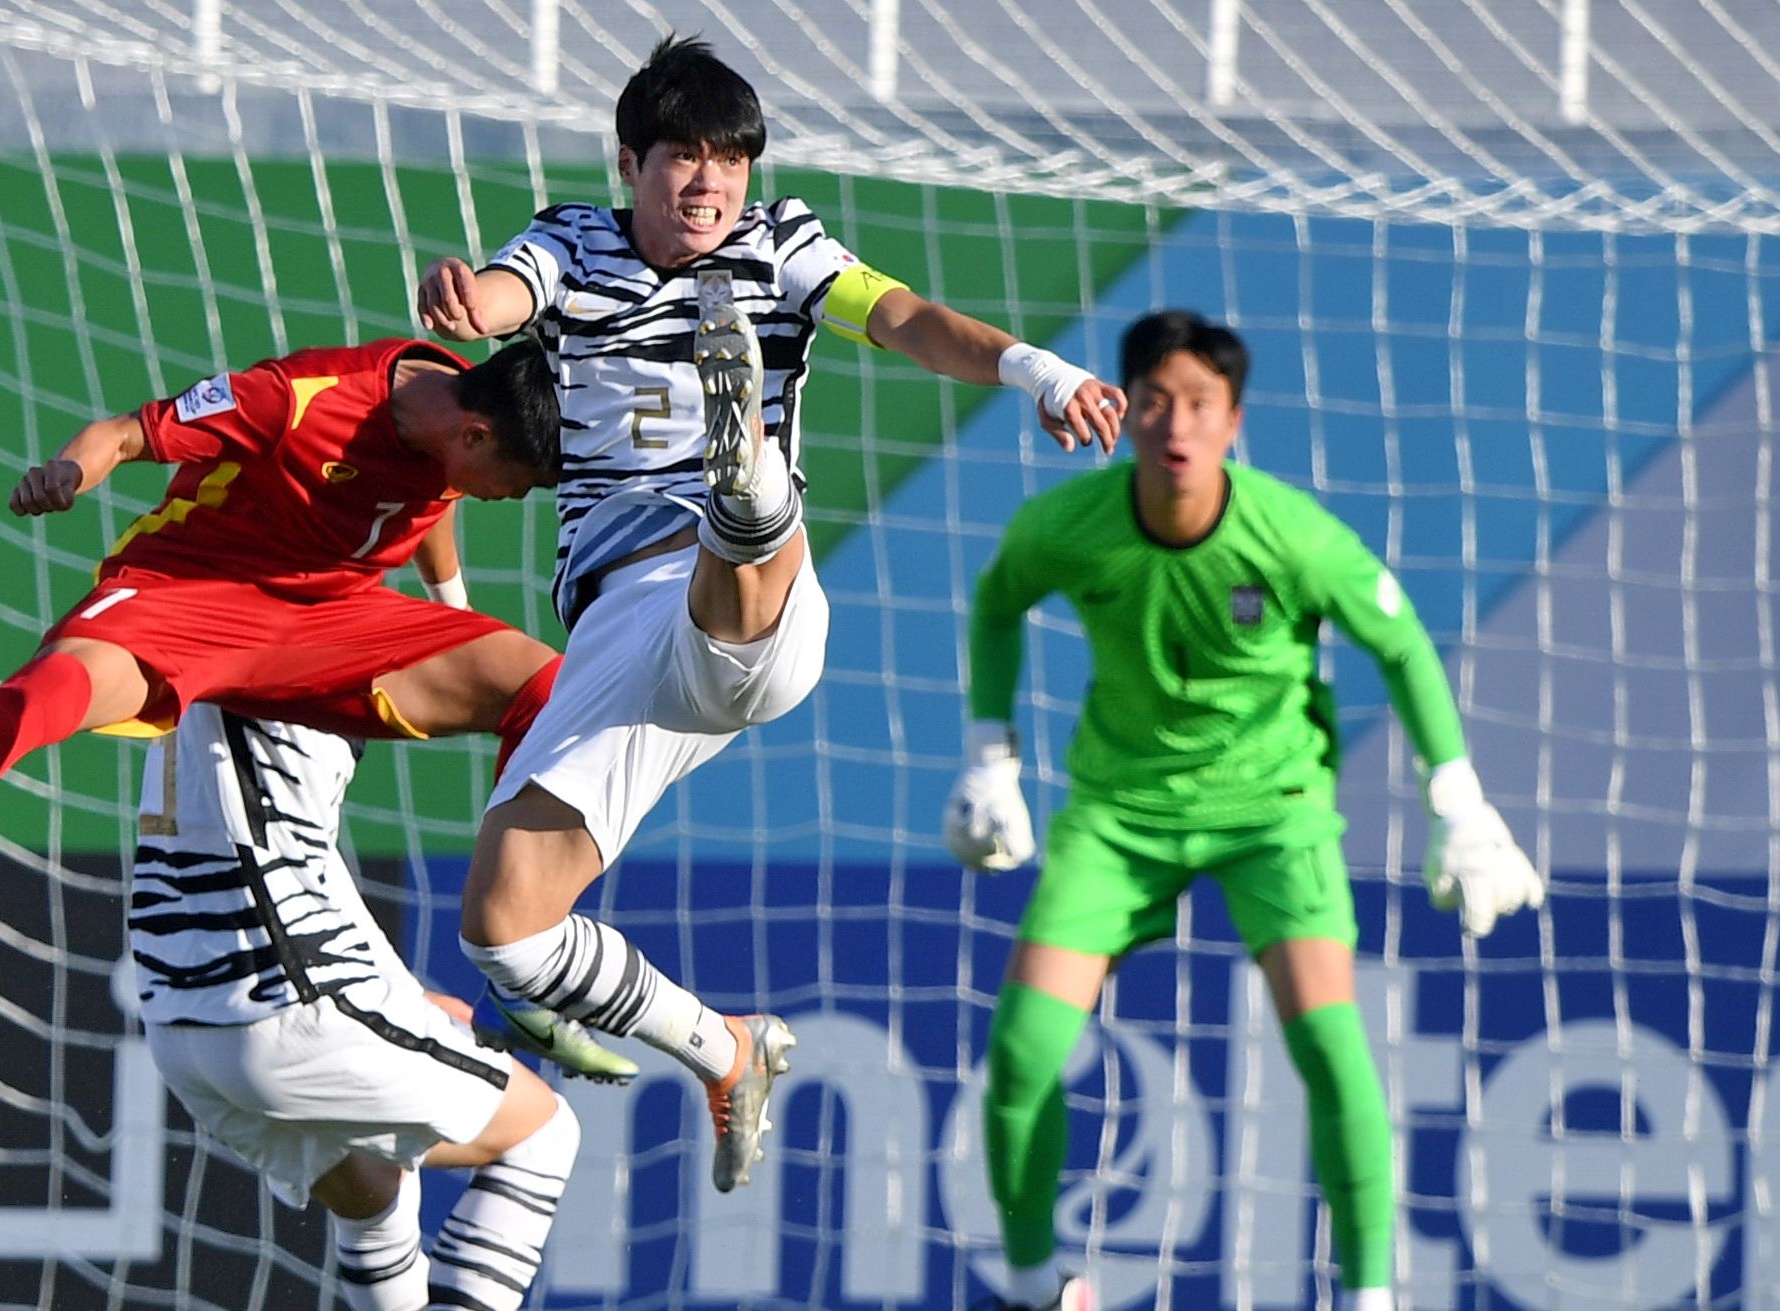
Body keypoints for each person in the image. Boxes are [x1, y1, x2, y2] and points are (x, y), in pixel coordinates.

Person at [414, 34, 1126, 1193]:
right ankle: (728, 1050)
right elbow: (503, 295)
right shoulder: (570, 241)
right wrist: (466, 297)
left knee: (727, 536)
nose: (709, 182)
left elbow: (903, 319)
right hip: (621, 645)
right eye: (683, 157)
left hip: (744, 601)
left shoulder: (781, 245)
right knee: (505, 927)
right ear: (631, 161)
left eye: (730, 161)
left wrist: (1040, 372)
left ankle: (744, 480)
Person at [941, 309, 1546, 1311]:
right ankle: (1033, 1283)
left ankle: (1370, 1297)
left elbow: (1399, 645)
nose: (1178, 422)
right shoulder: (1067, 527)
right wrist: (990, 758)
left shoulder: (1291, 533)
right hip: (1119, 815)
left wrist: (1462, 804)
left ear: (1233, 422)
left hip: (1276, 812)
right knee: (1021, 1054)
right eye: (1158, 400)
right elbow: (999, 601)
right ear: (1126, 412)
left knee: (1329, 1045)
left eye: (1202, 404)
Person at [0, 338, 565, 914]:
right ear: (473, 435)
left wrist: (452, 608)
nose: (512, 498)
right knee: (51, 692)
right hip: (191, 594)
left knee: (545, 682)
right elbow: (125, 433)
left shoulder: (454, 419)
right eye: (517, 485)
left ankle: (514, 934)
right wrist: (70, 471)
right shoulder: (295, 397)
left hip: (334, 617)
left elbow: (427, 501)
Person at [132, 699, 577, 1311]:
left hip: (178, 1027)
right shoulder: (319, 643)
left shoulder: (188, 656)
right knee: (542, 1133)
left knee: (377, 1186)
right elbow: (508, 680)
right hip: (285, 1007)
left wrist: (428, 1008)